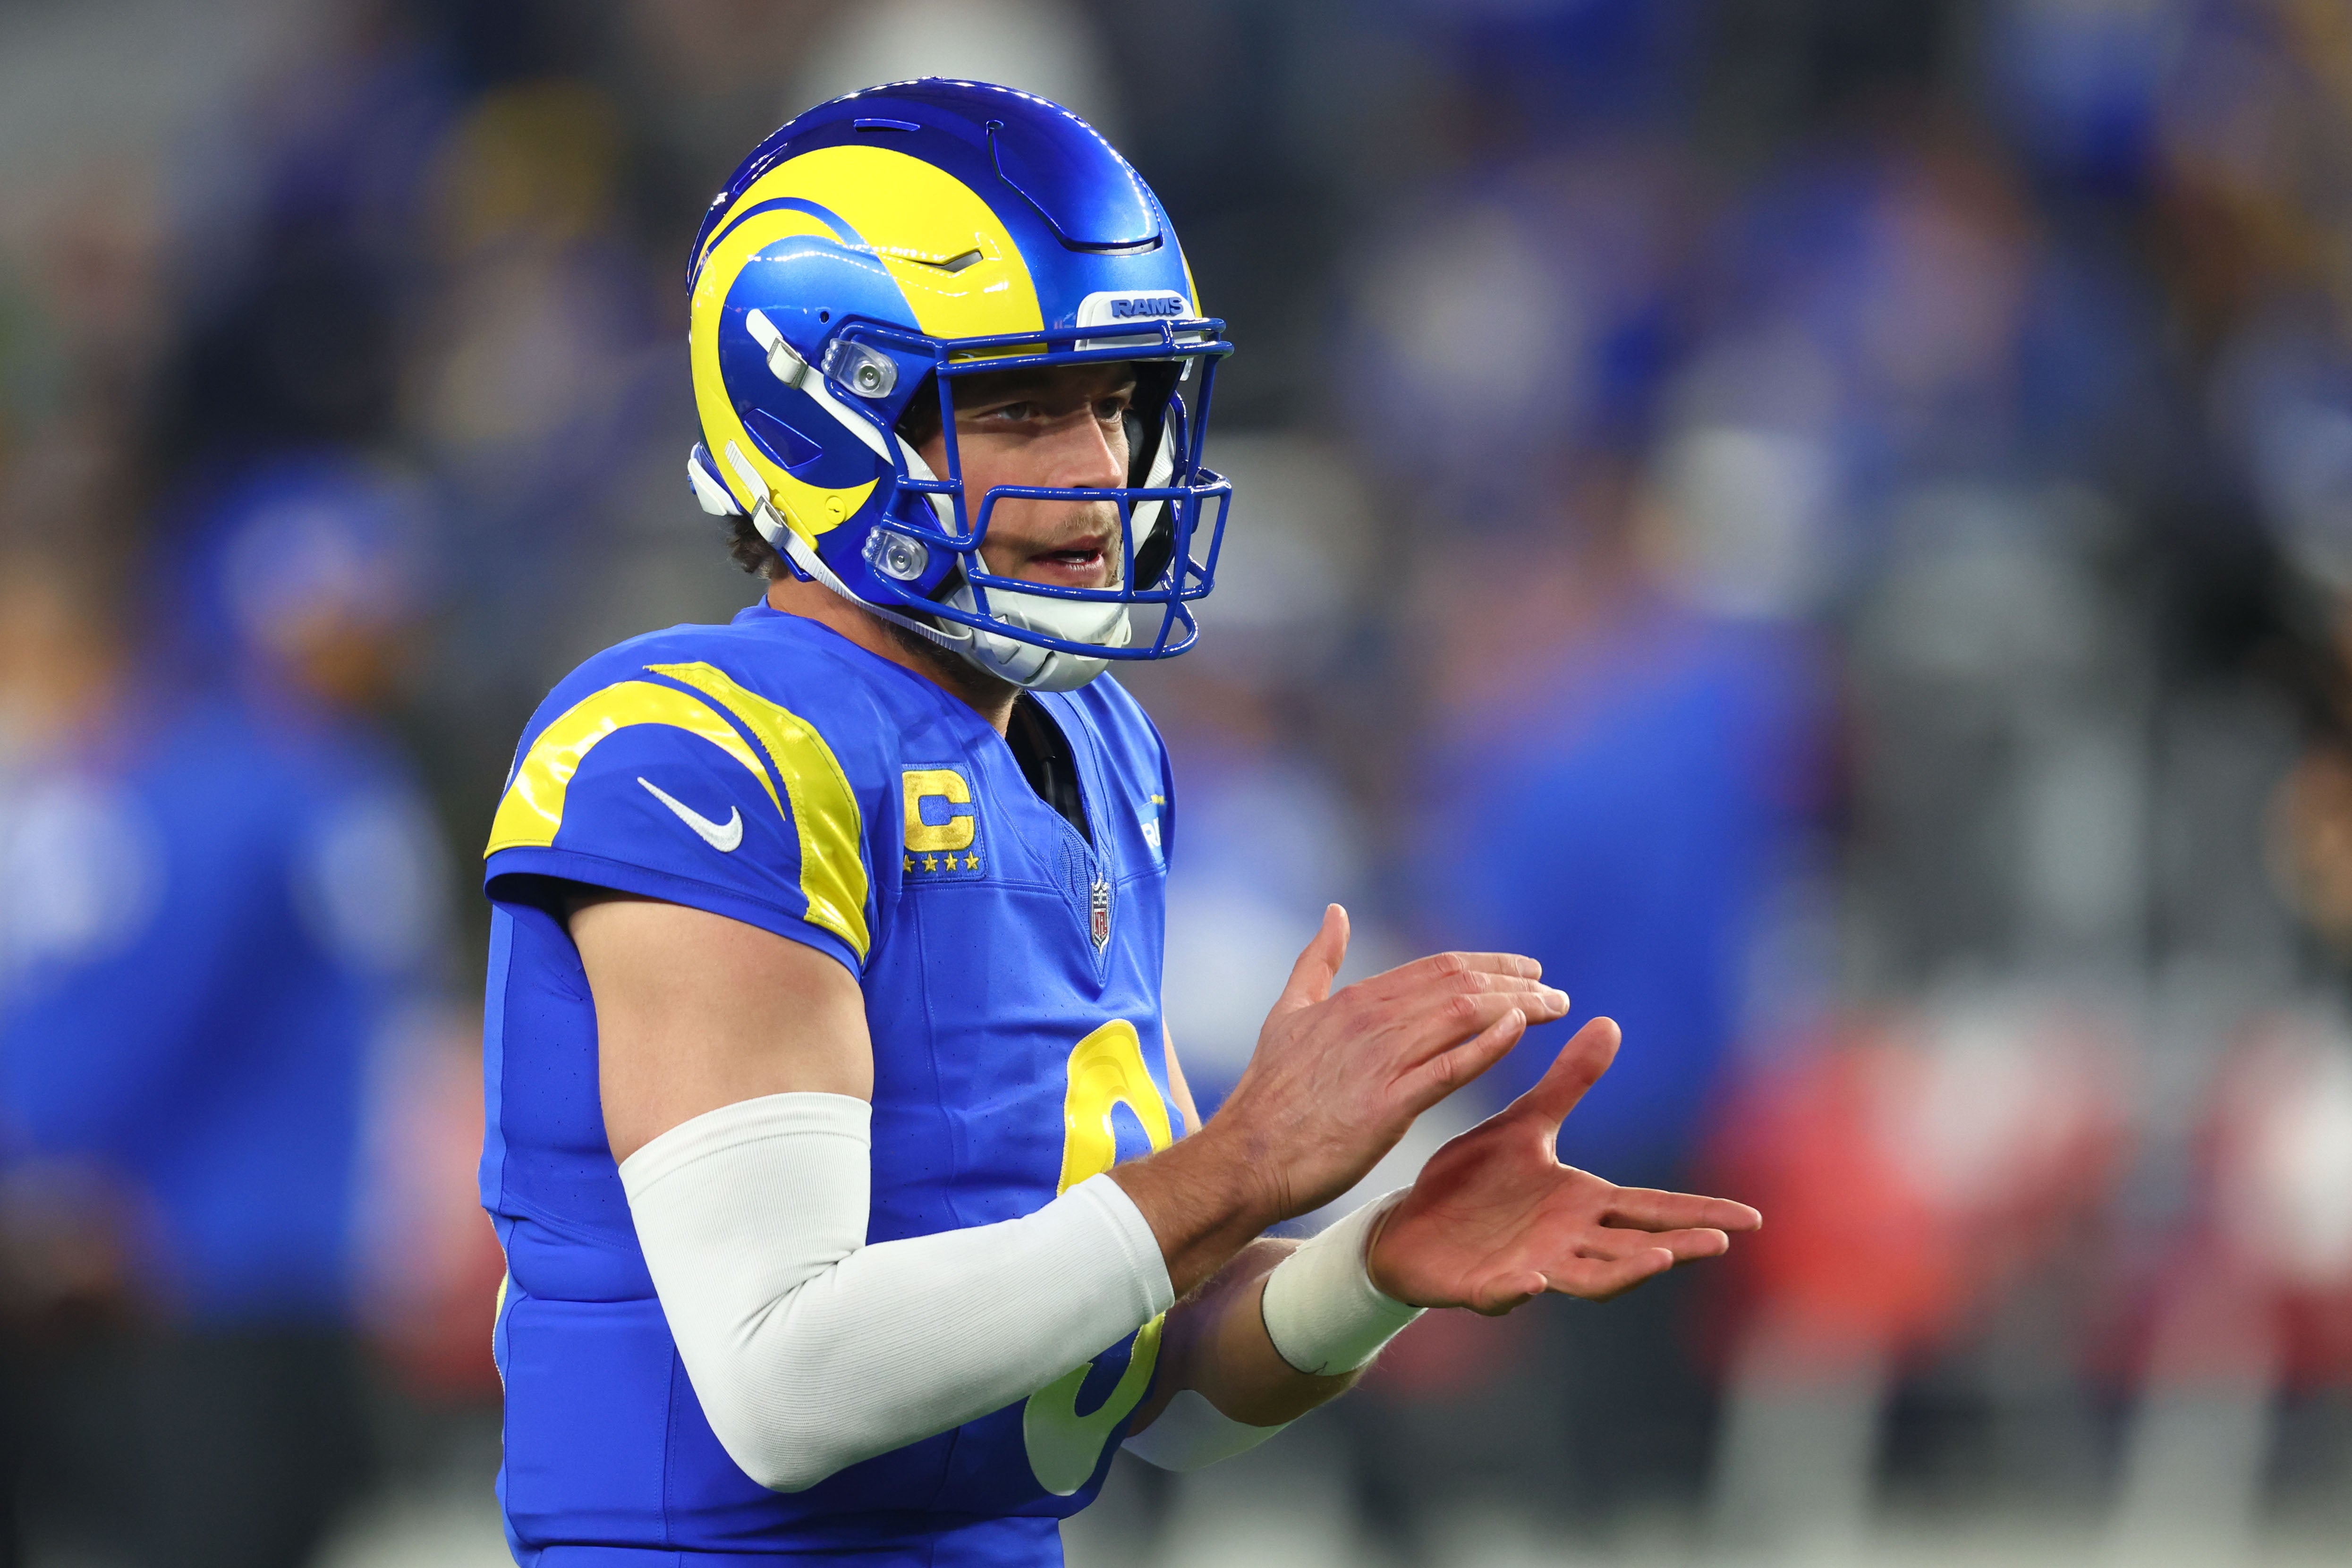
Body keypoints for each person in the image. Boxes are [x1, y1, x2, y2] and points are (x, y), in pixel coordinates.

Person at [478, 79, 1761, 1568]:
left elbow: (1115, 1386)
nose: (1097, 472)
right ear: (819, 412)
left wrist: (1369, 1267)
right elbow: (789, 1382)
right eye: (1019, 405)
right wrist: (1243, 1161)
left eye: (1115, 401)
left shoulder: (1087, 740)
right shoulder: (694, 750)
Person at [0, 452, 449, 1568]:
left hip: (209, 1262)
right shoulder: (336, 776)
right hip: (303, 1253)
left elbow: (130, 1019)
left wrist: (46, 1160)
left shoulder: (226, 783)